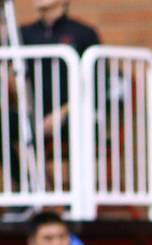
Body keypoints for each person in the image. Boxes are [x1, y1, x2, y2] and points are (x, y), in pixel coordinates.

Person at [19, 2, 100, 146]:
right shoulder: (21, 34)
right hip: (31, 112)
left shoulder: (84, 33)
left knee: (79, 121)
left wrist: (62, 113)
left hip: (71, 111)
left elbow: (97, 84)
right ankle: (19, 169)